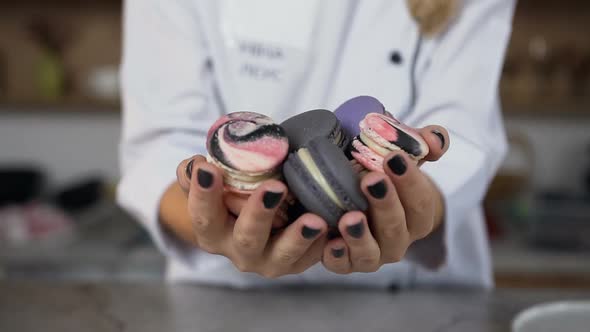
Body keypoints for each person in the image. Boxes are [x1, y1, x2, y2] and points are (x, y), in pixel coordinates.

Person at [117, 0, 515, 289]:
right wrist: (218, 221)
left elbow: (462, 132)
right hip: (232, 303)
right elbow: (159, 146)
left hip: (418, 304)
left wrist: (417, 197)